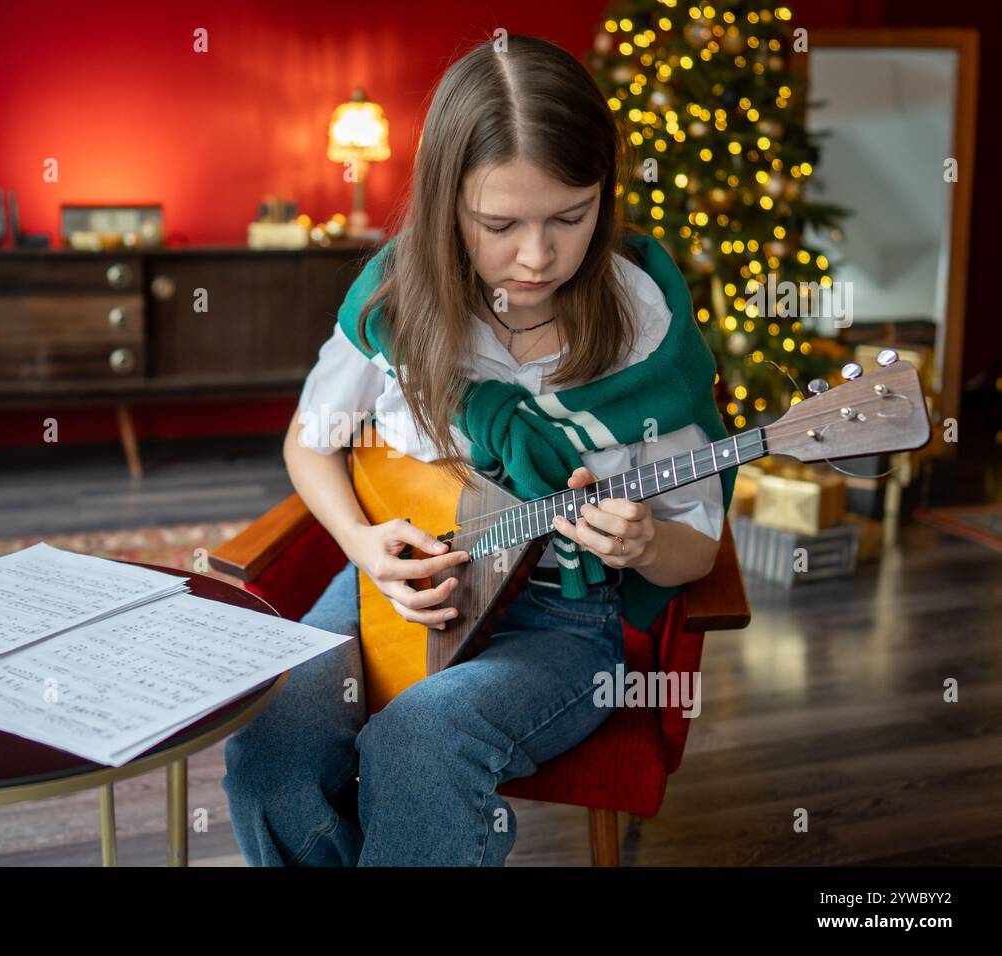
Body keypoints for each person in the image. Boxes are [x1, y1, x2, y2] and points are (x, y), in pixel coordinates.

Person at [223, 33, 735, 866]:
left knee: (418, 744)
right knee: (266, 748)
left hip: (561, 620)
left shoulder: (645, 325)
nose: (537, 256)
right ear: (444, 204)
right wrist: (362, 546)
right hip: (394, 589)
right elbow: (311, 442)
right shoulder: (399, 296)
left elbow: (693, 551)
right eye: (499, 224)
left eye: (572, 216)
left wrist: (645, 543)